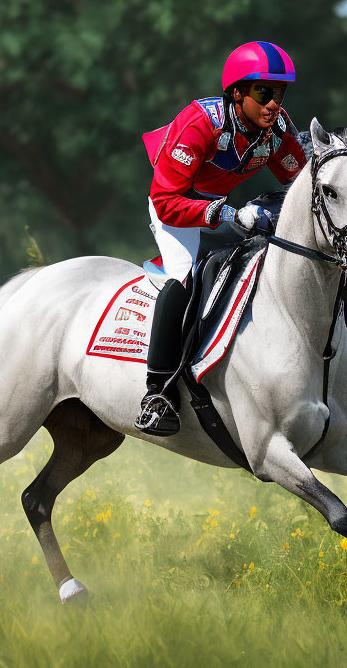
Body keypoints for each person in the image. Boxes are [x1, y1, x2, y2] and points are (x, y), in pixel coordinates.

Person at [135, 41, 309, 435]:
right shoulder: (200, 122)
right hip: (175, 207)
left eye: (280, 93)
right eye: (264, 93)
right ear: (237, 92)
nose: (274, 104)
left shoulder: (277, 129)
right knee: (185, 277)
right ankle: (156, 393)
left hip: (219, 206)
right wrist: (226, 213)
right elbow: (166, 201)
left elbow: (302, 181)